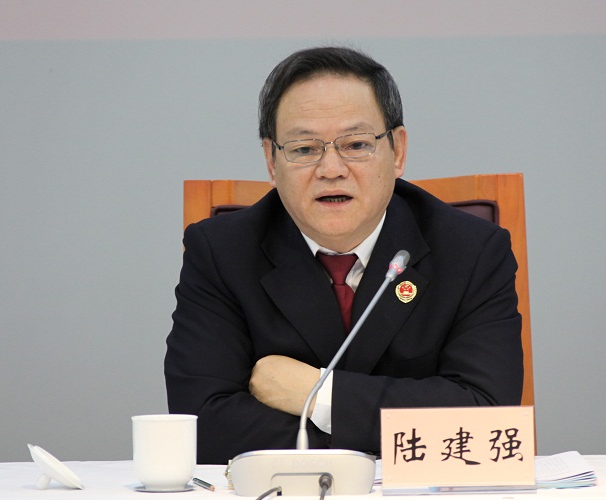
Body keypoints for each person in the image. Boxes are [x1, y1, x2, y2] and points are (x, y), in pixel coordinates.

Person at [164, 46, 523, 465]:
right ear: (271, 161)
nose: (331, 169)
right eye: (304, 149)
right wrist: (378, 438)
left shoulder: (472, 251)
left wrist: (320, 396)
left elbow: (486, 421)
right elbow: (203, 424)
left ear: (398, 152)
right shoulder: (221, 252)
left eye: (356, 144)